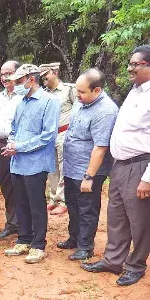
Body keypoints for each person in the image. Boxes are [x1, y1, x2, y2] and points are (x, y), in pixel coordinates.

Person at [82, 45, 150, 286]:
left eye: (136, 64)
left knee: (139, 219)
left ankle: (136, 265)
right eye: (130, 63)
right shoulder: (135, 91)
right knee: (116, 216)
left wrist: (148, 177)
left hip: (140, 166)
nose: (130, 67)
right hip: (120, 166)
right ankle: (113, 260)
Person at [2, 64, 60, 263]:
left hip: (36, 163)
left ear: (31, 79)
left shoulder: (49, 102)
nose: (16, 85)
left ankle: (38, 244)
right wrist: (11, 143)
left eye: (19, 81)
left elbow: (48, 136)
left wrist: (19, 146)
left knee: (36, 203)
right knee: (21, 202)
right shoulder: (21, 102)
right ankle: (24, 239)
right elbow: (14, 128)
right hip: (17, 162)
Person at [60, 69, 118, 261]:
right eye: (77, 91)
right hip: (71, 167)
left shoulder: (105, 111)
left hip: (87, 170)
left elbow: (100, 148)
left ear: (97, 90)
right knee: (73, 204)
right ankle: (75, 238)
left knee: (87, 209)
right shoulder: (81, 102)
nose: (78, 95)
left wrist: (89, 177)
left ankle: (85, 247)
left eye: (82, 92)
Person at [39, 62, 77, 215]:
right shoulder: (44, 93)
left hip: (64, 133)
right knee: (51, 169)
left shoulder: (69, 90)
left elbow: (78, 111)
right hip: (49, 136)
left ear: (54, 72)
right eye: (41, 77)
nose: (43, 78)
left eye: (45, 75)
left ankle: (63, 201)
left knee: (63, 168)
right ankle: (53, 199)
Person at [0, 61, 23, 240]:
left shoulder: (24, 95)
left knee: (21, 185)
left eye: (9, 73)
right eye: (2, 74)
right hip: (0, 145)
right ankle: (12, 223)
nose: (4, 77)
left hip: (19, 147)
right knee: (6, 186)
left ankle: (26, 226)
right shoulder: (0, 98)